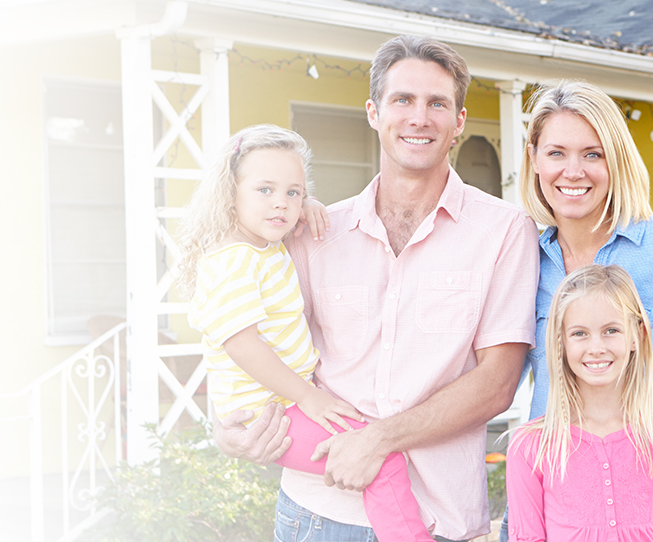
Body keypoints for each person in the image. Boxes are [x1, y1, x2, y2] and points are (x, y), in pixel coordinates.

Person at [214, 35, 540, 542]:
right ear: (373, 111)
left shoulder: (503, 231)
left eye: (437, 103)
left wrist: (378, 441)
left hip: (436, 519)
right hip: (316, 513)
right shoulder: (313, 233)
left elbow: (498, 383)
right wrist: (228, 426)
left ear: (459, 122)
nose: (419, 117)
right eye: (402, 100)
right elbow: (247, 330)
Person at [501, 78, 653, 540]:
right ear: (534, 160)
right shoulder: (520, 261)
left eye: (592, 154)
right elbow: (498, 374)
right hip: (548, 511)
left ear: (615, 160)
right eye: (556, 153)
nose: (572, 171)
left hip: (649, 511)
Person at [178, 123, 434, 542]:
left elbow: (282, 206)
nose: (280, 204)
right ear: (231, 194)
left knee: (373, 448)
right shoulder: (231, 261)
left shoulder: (264, 243)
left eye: (292, 192)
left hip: (285, 400)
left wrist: (308, 205)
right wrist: (308, 396)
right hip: (271, 410)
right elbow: (242, 344)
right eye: (265, 191)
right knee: (380, 459)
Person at [506, 264, 653, 541]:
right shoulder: (531, 447)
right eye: (579, 333)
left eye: (611, 330)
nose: (596, 347)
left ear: (638, 335)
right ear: (560, 342)